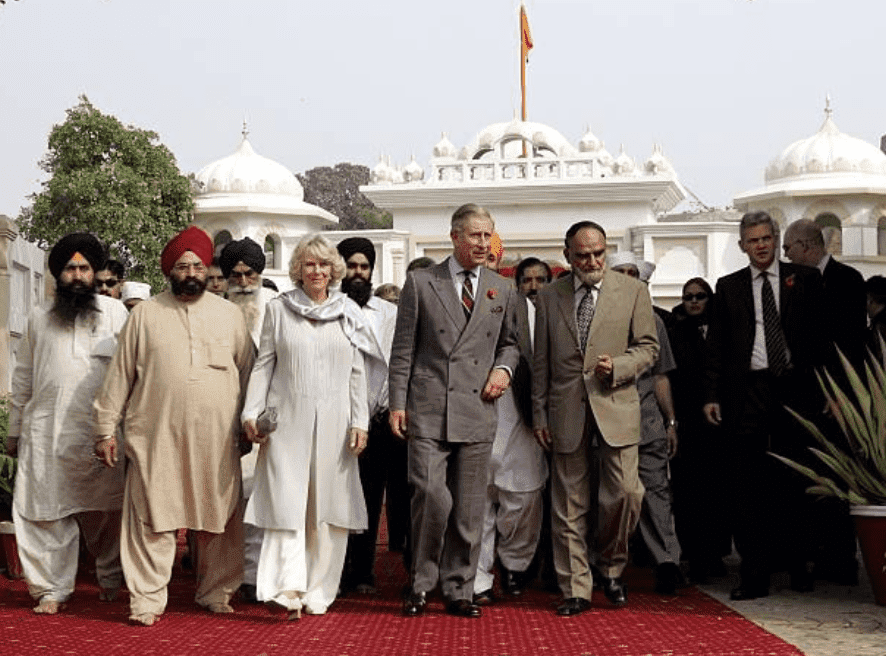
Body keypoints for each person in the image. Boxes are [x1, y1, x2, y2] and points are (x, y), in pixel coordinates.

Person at [94, 225, 255, 626]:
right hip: (154, 437)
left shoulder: (230, 316)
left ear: (206, 270)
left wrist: (248, 424)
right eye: (182, 265)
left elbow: (251, 374)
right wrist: (104, 429)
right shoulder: (144, 316)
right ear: (170, 270)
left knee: (219, 518)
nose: (190, 272)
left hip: (216, 440)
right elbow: (119, 377)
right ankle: (146, 600)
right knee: (151, 516)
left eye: (198, 265)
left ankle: (216, 592)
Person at [390, 203, 520, 619]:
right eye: (475, 235)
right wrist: (396, 402)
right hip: (428, 408)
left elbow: (511, 343)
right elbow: (403, 350)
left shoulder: (503, 288)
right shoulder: (421, 282)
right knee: (430, 498)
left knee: (469, 508)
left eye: (488, 235)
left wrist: (503, 370)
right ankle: (420, 582)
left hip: (478, 408)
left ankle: (459, 587)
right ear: (455, 237)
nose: (483, 243)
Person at [241, 233, 382, 618]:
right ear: (298, 270)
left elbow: (359, 373)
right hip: (287, 422)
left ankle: (319, 589)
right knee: (286, 503)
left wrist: (360, 421)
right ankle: (286, 588)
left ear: (333, 270)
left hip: (337, 425)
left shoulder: (348, 311)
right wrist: (251, 413)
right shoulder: (280, 309)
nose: (317, 270)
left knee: (328, 508)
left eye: (323, 264)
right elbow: (264, 364)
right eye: (309, 264)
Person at [532, 222, 658, 616]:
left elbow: (649, 348)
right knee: (568, 504)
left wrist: (619, 366)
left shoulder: (633, 291)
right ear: (567, 254)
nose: (592, 262)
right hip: (565, 409)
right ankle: (576, 588)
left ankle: (612, 566)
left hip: (616, 406)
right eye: (583, 255)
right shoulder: (550, 296)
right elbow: (541, 362)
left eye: (599, 253)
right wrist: (539, 413)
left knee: (625, 494)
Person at [703, 211, 825, 600]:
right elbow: (717, 347)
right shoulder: (728, 287)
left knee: (797, 480)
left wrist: (831, 392)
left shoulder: (805, 280)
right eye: (752, 240)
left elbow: (823, 340)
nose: (760, 245)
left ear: (775, 240)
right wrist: (711, 395)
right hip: (747, 392)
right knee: (748, 485)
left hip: (795, 389)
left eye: (766, 238)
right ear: (742, 246)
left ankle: (801, 566)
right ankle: (754, 574)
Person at [8, 233, 129, 615]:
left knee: (107, 510)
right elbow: (23, 376)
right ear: (58, 275)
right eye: (69, 268)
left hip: (99, 432)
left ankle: (110, 577)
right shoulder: (38, 317)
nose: (77, 276)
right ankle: (51, 588)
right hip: (46, 429)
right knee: (44, 510)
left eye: (84, 268)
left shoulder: (117, 315)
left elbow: (129, 375)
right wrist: (14, 428)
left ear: (95, 273)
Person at [782, 218, 865, 585]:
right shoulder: (791, 283)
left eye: (787, 248)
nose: (785, 256)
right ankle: (807, 554)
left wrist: (839, 395)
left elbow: (850, 345)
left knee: (836, 479)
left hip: (836, 399)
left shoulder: (846, 280)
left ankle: (839, 557)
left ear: (805, 246)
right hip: (801, 397)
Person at [473, 236, 547, 605]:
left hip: (519, 415)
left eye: (490, 258)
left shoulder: (528, 307)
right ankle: (479, 578)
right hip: (470, 415)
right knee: (475, 502)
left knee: (522, 497)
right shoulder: (451, 299)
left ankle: (514, 565)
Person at [335, 237, 406, 596]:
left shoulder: (389, 314)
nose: (358, 273)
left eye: (364, 267)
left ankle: (362, 570)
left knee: (368, 497)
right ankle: (331, 569)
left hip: (376, 421)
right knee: (334, 496)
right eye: (351, 266)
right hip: (335, 419)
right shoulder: (327, 308)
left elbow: (397, 364)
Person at [609, 253, 683, 596]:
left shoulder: (654, 321)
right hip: (608, 423)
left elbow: (661, 376)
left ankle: (667, 562)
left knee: (656, 494)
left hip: (648, 422)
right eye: (620, 273)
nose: (627, 278)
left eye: (632, 273)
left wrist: (670, 421)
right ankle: (608, 565)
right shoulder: (598, 318)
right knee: (615, 497)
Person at [218, 236, 279, 603]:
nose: (243, 282)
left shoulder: (278, 306)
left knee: (260, 495)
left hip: (267, 420)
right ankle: (225, 574)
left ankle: (256, 576)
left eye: (250, 274)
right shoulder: (215, 309)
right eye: (236, 275)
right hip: (223, 417)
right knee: (228, 500)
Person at [668, 277, 730, 583]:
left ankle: (715, 554)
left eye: (700, 296)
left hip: (717, 426)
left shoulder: (722, 330)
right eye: (688, 296)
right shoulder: (675, 330)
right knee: (687, 494)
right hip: (687, 425)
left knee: (717, 492)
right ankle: (693, 555)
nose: (693, 301)